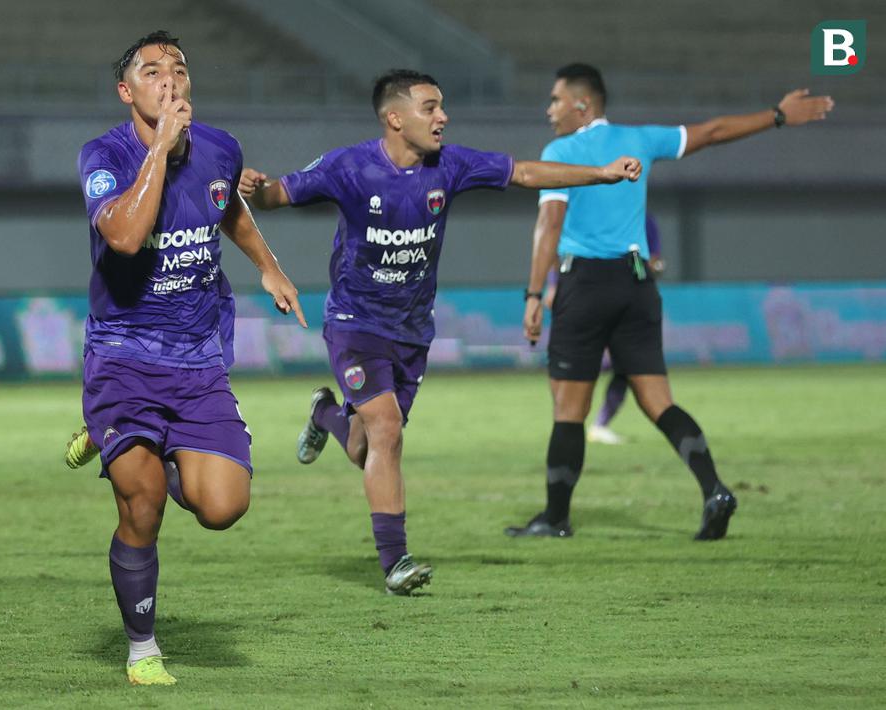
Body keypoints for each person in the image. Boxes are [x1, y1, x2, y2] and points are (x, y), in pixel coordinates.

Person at [238, 69, 642, 595]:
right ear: (395, 117)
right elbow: (278, 197)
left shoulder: (449, 165)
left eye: (442, 106)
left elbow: (522, 173)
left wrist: (601, 173)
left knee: (366, 447)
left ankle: (324, 413)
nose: (442, 117)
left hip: (412, 330)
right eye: (430, 107)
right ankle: (395, 561)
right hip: (356, 324)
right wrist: (259, 187)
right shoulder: (349, 166)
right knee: (386, 431)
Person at [509, 63, 832, 540]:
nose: (549, 109)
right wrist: (777, 116)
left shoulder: (561, 152)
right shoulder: (641, 139)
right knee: (659, 402)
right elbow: (715, 131)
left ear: (582, 104)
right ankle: (715, 489)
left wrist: (534, 294)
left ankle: (555, 517)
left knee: (568, 408)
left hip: (586, 285)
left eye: (556, 100)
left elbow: (549, 227)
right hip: (638, 283)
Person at [77, 30, 306, 686]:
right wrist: (159, 150)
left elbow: (225, 202)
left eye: (178, 68)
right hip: (121, 356)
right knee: (141, 504)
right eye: (151, 71)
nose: (169, 79)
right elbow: (123, 235)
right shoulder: (105, 154)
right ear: (128, 92)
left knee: (223, 507)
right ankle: (142, 647)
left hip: (197, 358)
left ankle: (146, 448)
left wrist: (267, 265)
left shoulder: (219, 148)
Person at [550, 213, 664, 446]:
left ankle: (592, 425)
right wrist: (552, 285)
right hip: (590, 298)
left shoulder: (643, 219)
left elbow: (650, 261)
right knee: (594, 367)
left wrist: (651, 268)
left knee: (619, 369)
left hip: (624, 302)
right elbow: (558, 246)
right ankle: (576, 424)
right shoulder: (586, 209)